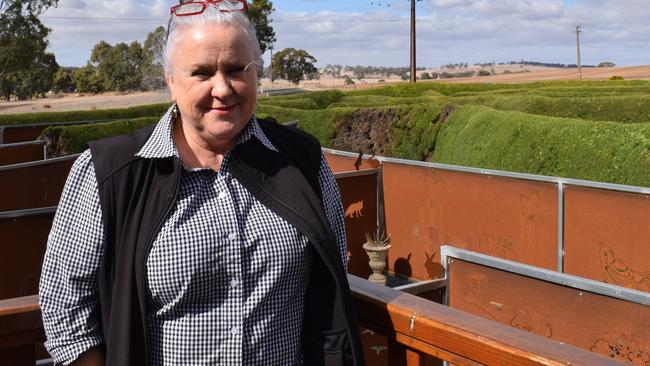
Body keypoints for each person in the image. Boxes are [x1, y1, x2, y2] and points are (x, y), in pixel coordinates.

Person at [38, 1, 364, 365]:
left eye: (237, 69)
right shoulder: (109, 174)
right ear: (171, 83)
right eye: (202, 72)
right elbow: (65, 309)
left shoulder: (303, 162)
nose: (222, 88)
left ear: (257, 72)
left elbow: (334, 280)